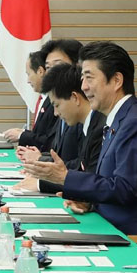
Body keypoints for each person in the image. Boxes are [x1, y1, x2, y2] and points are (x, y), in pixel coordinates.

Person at [23, 41, 137, 239]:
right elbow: (110, 182)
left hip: (136, 238)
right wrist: (88, 200)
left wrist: (65, 177)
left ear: (116, 80)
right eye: (82, 78)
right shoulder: (119, 118)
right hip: (110, 225)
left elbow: (124, 189)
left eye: (89, 78)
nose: (83, 86)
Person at [16, 63, 106, 193]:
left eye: (57, 105)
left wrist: (42, 182)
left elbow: (91, 179)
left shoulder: (99, 127)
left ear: (75, 97)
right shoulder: (89, 124)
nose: (55, 113)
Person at [3, 51, 56, 150]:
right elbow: (41, 134)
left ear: (40, 71)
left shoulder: (55, 102)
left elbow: (50, 141)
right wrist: (23, 133)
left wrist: (21, 136)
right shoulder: (44, 99)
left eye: (29, 74)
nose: (28, 80)